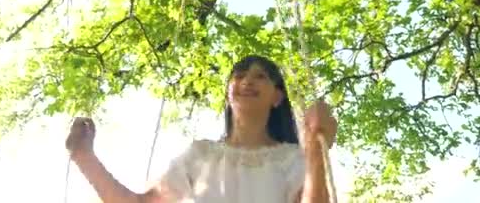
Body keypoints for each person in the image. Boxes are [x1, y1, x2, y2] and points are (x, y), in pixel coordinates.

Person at [66, 55, 338, 203]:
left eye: (260, 76)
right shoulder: (200, 156)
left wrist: (314, 147)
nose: (247, 81)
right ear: (229, 93)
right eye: (240, 75)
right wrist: (83, 155)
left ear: (277, 97)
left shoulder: (292, 159)